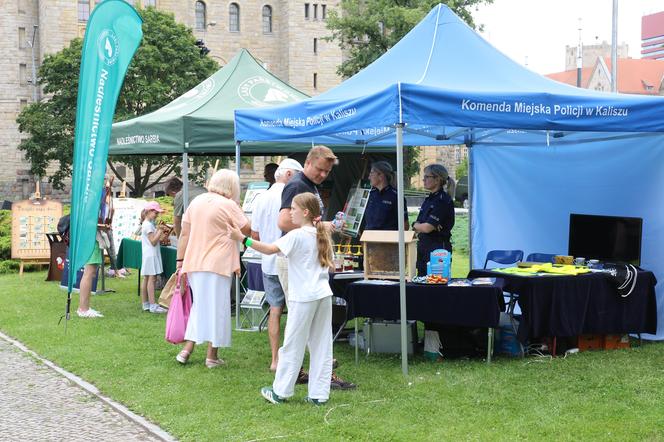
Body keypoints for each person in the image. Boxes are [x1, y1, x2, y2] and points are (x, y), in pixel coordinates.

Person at [230, 192, 334, 405]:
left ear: (305, 212)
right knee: (321, 345)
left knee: (292, 345)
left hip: (303, 297)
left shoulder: (296, 235)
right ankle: (319, 394)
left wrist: (242, 238)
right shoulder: (318, 233)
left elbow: (268, 250)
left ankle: (281, 392)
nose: (289, 212)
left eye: (293, 208)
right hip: (323, 295)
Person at [277, 145, 356, 391]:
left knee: (309, 324)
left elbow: (308, 223)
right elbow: (283, 221)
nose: (323, 175)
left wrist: (323, 226)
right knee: (304, 325)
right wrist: (320, 228)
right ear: (308, 162)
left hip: (306, 264)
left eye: (327, 172)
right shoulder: (297, 185)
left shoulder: (308, 185)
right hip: (296, 263)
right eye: (320, 170)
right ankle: (302, 377)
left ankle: (308, 374)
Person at [175, 169, 250, 368]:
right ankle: (211, 356)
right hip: (219, 262)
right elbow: (247, 230)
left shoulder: (196, 201)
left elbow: (184, 234)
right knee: (218, 308)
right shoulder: (229, 205)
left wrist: (179, 261)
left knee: (200, 305)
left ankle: (186, 350)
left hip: (194, 261)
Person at [250, 158, 304, 371]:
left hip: (268, 261)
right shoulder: (294, 196)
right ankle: (294, 357)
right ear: (289, 174)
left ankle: (275, 359)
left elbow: (254, 234)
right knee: (296, 310)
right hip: (290, 260)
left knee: (275, 309)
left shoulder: (261, 198)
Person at [412, 164, 456, 277]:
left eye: (427, 177)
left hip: (438, 249)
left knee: (436, 285)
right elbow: (419, 225)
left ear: (437, 179)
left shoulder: (442, 200)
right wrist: (417, 225)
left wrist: (418, 225)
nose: (423, 179)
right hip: (424, 247)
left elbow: (426, 228)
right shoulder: (430, 199)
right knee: (421, 284)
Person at [140, 201, 169, 314]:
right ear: (149, 212)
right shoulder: (147, 225)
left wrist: (160, 233)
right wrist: (160, 230)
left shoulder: (148, 224)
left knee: (147, 279)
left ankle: (145, 304)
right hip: (151, 255)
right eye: (156, 213)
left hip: (149, 254)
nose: (157, 215)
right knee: (152, 279)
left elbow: (156, 240)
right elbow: (153, 241)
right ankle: (152, 305)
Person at [363, 161, 409, 231]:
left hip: (388, 240)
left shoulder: (396, 197)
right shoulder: (370, 194)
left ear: (381, 176)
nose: (369, 177)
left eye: (372, 173)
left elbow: (405, 226)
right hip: (368, 239)